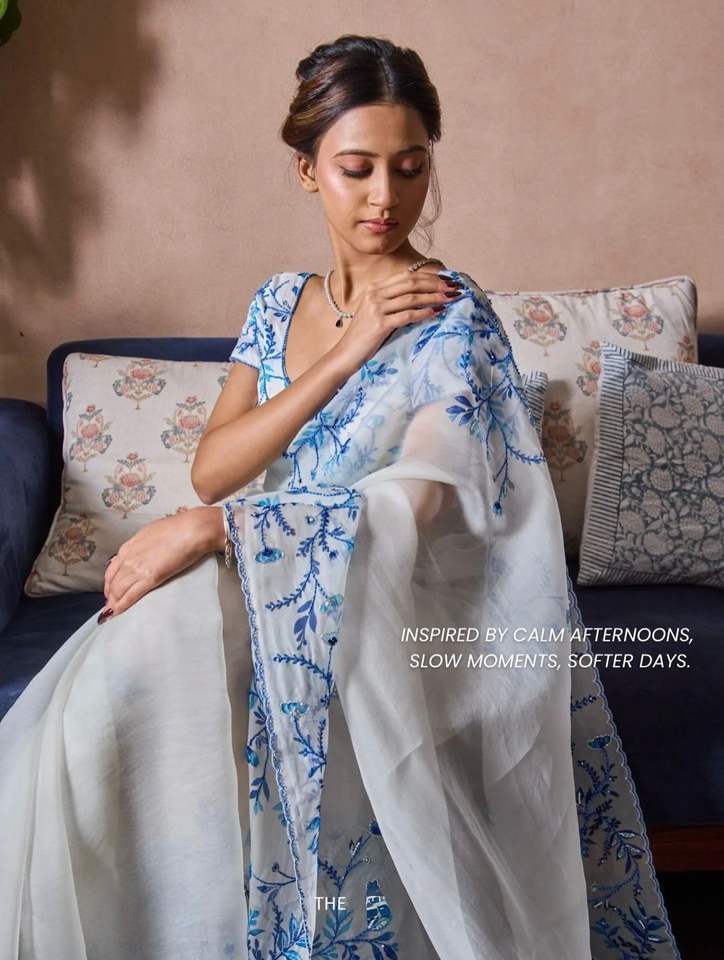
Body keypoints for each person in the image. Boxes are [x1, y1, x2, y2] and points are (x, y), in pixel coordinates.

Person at [0, 34, 681, 960]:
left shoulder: (450, 313)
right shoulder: (281, 302)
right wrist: (348, 349)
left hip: (396, 590)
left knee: (161, 642)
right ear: (306, 171)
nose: (385, 197)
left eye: (411, 166)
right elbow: (214, 467)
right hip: (279, 567)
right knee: (110, 678)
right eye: (357, 169)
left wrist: (219, 531)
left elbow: (427, 503)